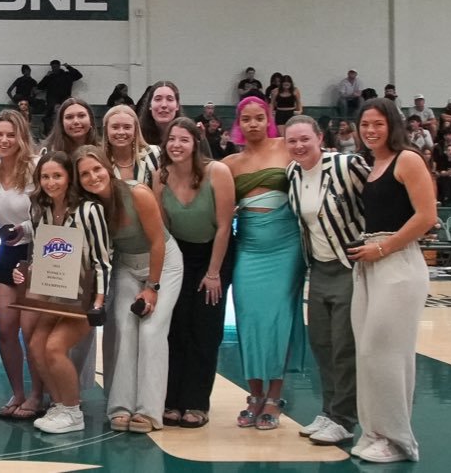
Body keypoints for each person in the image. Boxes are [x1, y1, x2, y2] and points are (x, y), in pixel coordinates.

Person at [346, 98, 436, 463]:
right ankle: (375, 431)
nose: (370, 130)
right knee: (367, 354)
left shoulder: (408, 159)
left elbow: (427, 216)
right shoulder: (372, 164)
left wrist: (383, 248)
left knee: (385, 354)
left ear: (392, 125)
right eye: (365, 124)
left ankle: (399, 441)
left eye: (378, 124)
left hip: (398, 263)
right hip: (372, 262)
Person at [7, 150, 113, 434]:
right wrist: (25, 272)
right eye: (45, 176)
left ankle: (73, 410)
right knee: (36, 346)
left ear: (69, 178)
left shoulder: (90, 211)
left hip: (84, 297)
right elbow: (43, 256)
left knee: (54, 348)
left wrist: (99, 302)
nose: (51, 182)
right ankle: (59, 405)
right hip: (55, 295)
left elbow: (102, 261)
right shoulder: (40, 211)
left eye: (57, 176)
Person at [75, 145, 178, 435]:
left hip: (163, 263)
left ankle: (149, 411)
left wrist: (152, 287)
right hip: (125, 264)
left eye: (97, 169)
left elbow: (158, 242)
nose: (93, 177)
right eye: (85, 174)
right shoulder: (88, 205)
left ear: (108, 167)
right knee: (122, 327)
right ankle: (120, 407)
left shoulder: (137, 193)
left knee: (151, 330)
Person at [281, 115, 368, 445]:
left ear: (320, 138)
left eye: (305, 139)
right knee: (321, 343)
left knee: (344, 346)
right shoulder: (292, 173)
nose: (299, 146)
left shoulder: (347, 166)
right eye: (292, 141)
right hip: (318, 269)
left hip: (349, 266)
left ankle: (345, 419)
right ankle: (330, 409)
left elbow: (378, 201)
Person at [219, 96, 305, 432]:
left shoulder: (288, 148)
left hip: (287, 246)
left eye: (259, 118)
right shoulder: (229, 163)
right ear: (238, 124)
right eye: (246, 119)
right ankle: (254, 394)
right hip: (249, 248)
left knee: (280, 321)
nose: (253, 124)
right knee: (249, 319)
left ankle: (275, 395)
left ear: (268, 118)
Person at [154, 118, 234, 429]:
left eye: (183, 139)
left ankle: (197, 403)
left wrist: (214, 272)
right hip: (180, 255)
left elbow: (225, 226)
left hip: (214, 254)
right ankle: (172, 400)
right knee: (176, 328)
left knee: (206, 329)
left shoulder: (218, 172)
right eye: (171, 139)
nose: (176, 145)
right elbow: (162, 230)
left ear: (196, 143)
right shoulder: (160, 176)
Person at [0, 110, 45, 420]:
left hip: (36, 252)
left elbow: (50, 213)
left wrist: (25, 229)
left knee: (30, 331)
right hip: (6, 254)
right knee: (5, 330)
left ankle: (37, 395)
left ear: (21, 138)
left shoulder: (36, 168)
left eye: (11, 134)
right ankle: (18, 392)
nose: (4, 140)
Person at [103, 105, 161, 187]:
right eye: (115, 127)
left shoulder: (154, 154)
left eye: (127, 127)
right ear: (106, 130)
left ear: (135, 130)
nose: (121, 132)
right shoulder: (99, 161)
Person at [138, 81, 182, 158]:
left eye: (170, 99)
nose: (164, 105)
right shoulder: (138, 136)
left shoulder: (189, 135)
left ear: (177, 105)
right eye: (158, 99)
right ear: (150, 105)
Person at [37, 60, 83, 133]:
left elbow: (79, 75)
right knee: (50, 112)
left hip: (64, 97)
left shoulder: (66, 75)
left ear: (59, 66)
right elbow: (40, 87)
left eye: (55, 67)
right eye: (53, 67)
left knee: (69, 107)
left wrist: (68, 67)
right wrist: (46, 76)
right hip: (52, 98)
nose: (54, 68)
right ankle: (47, 132)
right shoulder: (50, 77)